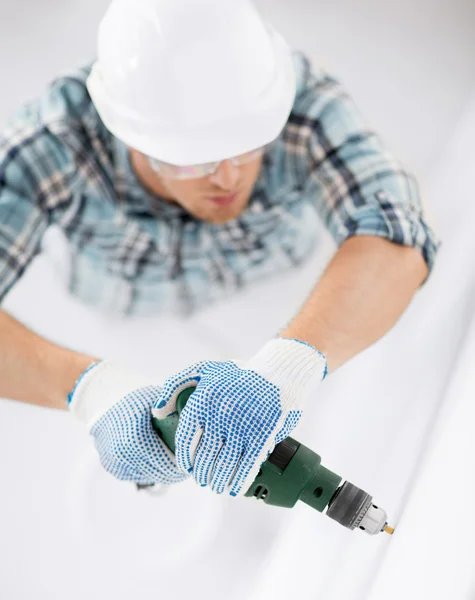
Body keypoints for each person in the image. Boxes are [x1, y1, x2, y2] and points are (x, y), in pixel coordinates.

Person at [0, 0, 438, 497]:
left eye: (247, 145)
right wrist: (88, 389)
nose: (229, 177)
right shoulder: (51, 144)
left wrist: (285, 368)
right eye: (193, 160)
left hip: (284, 299)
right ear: (128, 135)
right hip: (133, 317)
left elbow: (399, 233)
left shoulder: (294, 100)